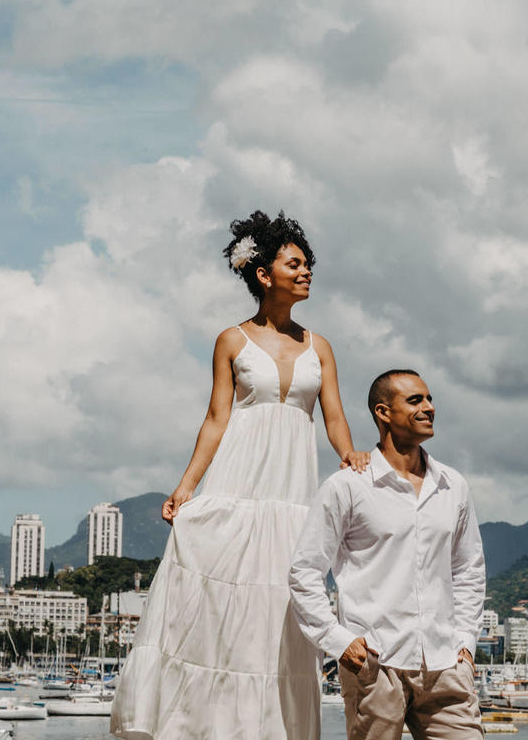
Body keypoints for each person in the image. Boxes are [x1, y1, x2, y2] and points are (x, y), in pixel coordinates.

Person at [111, 211, 370, 740]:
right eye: (294, 264)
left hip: (290, 492)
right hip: (237, 481)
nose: (306, 274)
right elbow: (216, 418)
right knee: (221, 610)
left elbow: (335, 417)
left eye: (308, 266)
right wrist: (186, 488)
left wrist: (351, 456)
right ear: (262, 274)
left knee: (279, 605)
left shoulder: (320, 346)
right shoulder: (230, 340)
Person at [289, 370, 487, 740]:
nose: (429, 408)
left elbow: (469, 569)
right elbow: (304, 572)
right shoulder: (347, 487)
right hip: (375, 664)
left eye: (429, 399)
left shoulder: (453, 486)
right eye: (415, 400)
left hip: (446, 663)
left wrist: (466, 642)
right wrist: (338, 641)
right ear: (383, 412)